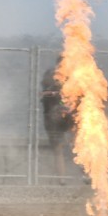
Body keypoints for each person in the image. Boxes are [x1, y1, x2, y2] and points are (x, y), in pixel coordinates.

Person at [41, 56, 75, 184]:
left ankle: (85, 174)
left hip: (71, 116)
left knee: (79, 142)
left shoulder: (76, 75)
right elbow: (44, 93)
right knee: (58, 148)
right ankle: (61, 180)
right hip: (53, 117)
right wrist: (57, 91)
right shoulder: (50, 75)